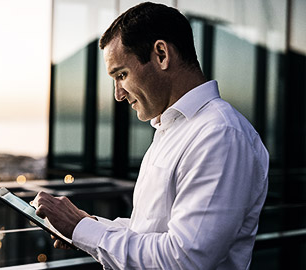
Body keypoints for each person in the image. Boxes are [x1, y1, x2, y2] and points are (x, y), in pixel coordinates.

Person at [34, 2, 269, 269]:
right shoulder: (174, 130)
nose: (118, 94)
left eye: (121, 75)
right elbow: (149, 232)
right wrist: (88, 226)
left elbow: (185, 259)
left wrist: (81, 228)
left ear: (160, 54)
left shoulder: (220, 135)